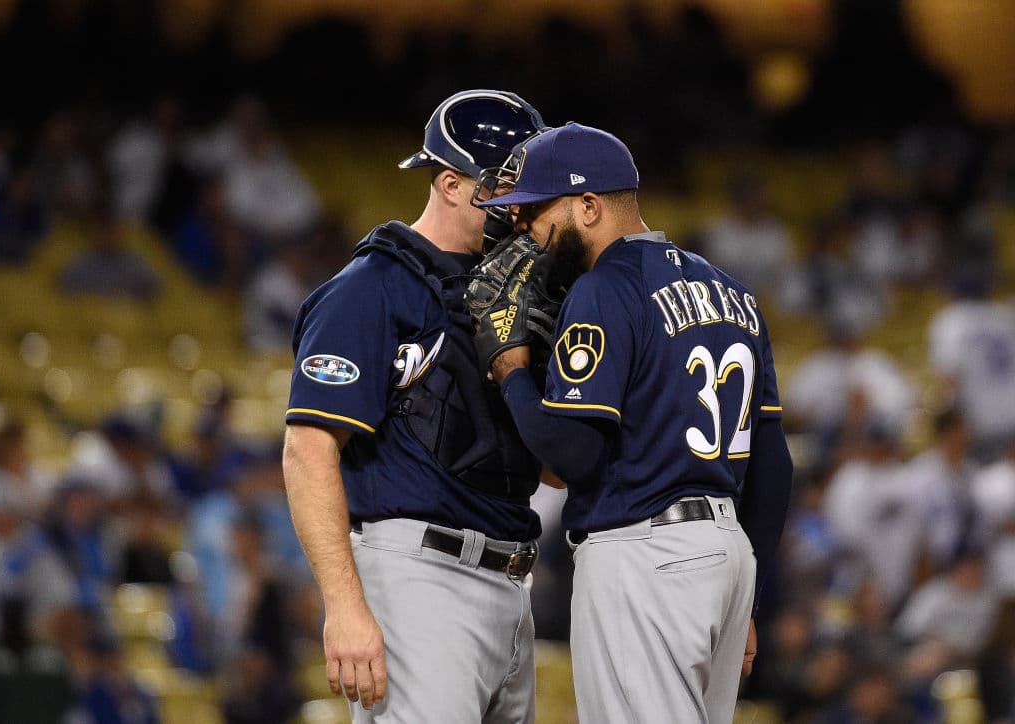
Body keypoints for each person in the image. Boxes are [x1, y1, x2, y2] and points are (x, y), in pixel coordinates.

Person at [475, 122, 794, 723]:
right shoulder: (734, 294)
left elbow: (573, 453)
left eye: (535, 211)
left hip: (645, 556)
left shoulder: (605, 288)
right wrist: (747, 595)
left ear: (588, 205)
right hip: (726, 556)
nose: (524, 229)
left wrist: (512, 372)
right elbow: (772, 466)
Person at [281, 90, 549, 722]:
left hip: (513, 583)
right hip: (419, 579)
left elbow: (548, 461)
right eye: (504, 187)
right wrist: (344, 606)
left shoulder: (516, 292)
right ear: (451, 184)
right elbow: (307, 448)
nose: (519, 207)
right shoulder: (372, 288)